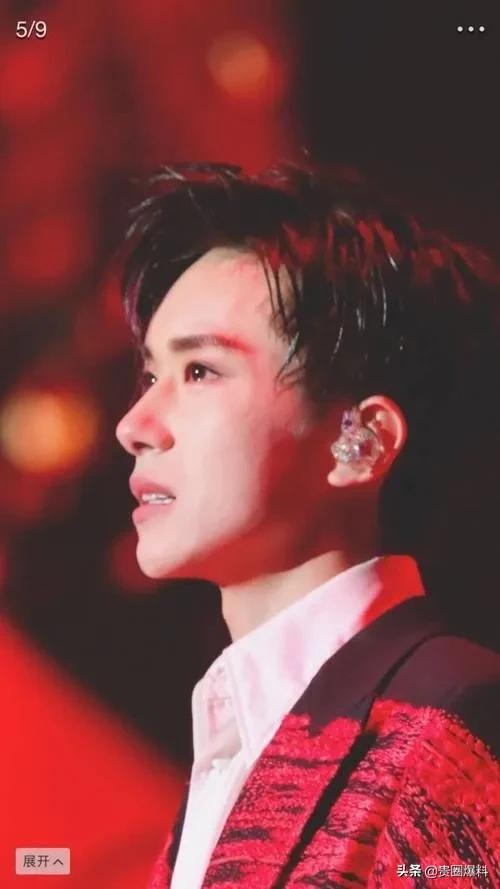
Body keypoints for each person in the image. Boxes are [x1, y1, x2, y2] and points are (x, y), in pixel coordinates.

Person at [115, 162, 500, 888]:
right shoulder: (232, 746)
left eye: (199, 371)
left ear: (363, 441)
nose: (134, 425)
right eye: (150, 376)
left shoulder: (452, 722)